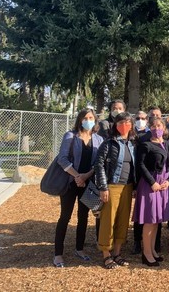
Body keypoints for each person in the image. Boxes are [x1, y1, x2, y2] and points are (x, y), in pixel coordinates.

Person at [53, 108, 104, 268]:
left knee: (84, 217)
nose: (88, 120)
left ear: (95, 120)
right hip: (70, 183)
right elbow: (62, 159)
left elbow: (98, 163)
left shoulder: (98, 139)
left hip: (87, 183)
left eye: (91, 118)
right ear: (80, 119)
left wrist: (85, 176)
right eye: (85, 117)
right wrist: (77, 176)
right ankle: (58, 254)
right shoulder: (70, 136)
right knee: (65, 217)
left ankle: (79, 249)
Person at [95, 112, 137, 269]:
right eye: (120, 122)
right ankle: (106, 255)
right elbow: (99, 165)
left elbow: (134, 167)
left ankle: (117, 253)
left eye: (127, 122)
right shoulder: (108, 144)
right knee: (108, 220)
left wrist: (135, 187)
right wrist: (103, 187)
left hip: (128, 187)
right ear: (115, 125)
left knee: (123, 221)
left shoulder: (132, 144)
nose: (124, 125)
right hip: (112, 187)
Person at [132, 117, 169, 267]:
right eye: (154, 126)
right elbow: (140, 165)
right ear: (150, 128)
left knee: (156, 220)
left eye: (159, 125)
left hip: (163, 184)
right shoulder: (145, 145)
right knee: (149, 220)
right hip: (150, 184)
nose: (157, 128)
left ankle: (153, 251)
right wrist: (152, 182)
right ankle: (146, 253)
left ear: (164, 127)